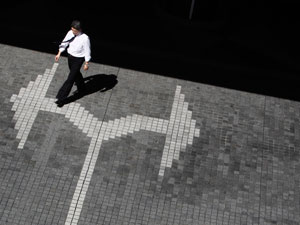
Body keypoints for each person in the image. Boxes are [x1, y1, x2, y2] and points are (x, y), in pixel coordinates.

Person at [54, 20, 91, 107]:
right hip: (70, 57)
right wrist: (59, 53)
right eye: (72, 29)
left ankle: (61, 98)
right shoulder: (70, 33)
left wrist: (86, 63)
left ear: (79, 30)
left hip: (78, 59)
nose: (72, 31)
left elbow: (87, 50)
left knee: (70, 78)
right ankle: (82, 88)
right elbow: (65, 42)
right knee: (75, 74)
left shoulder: (85, 38)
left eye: (74, 30)